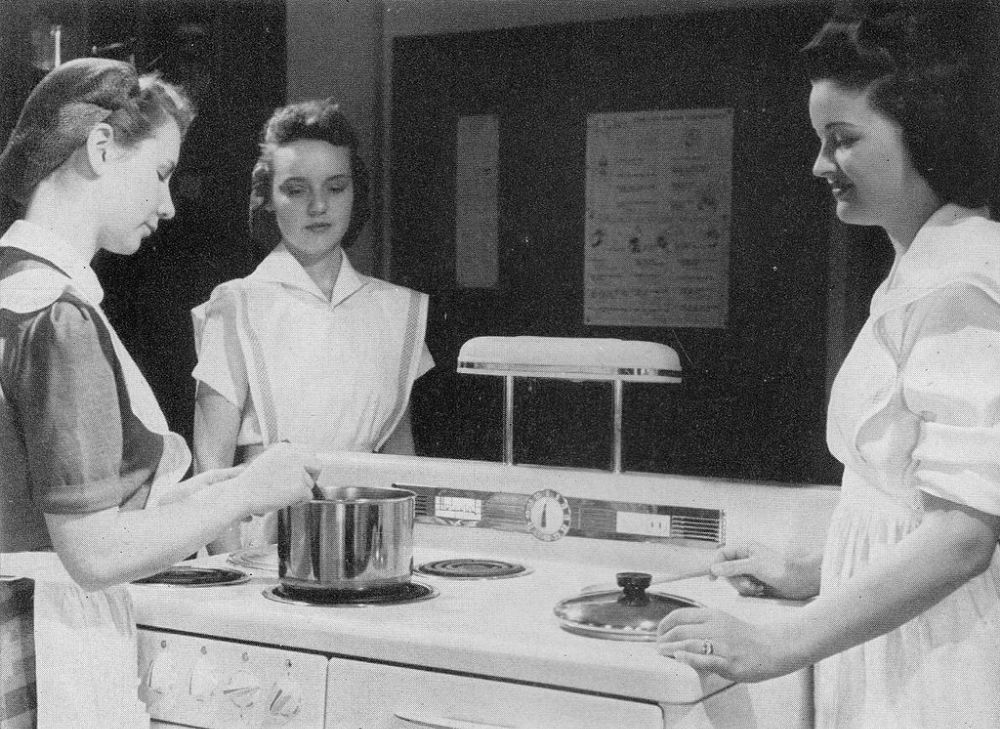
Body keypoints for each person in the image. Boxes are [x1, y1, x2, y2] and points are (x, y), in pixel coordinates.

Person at [656, 8, 1000, 728]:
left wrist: (778, 642)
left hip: (940, 661)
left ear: (925, 135)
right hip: (892, 640)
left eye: (842, 140)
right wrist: (814, 572)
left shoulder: (963, 283)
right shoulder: (921, 266)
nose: (820, 165)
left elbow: (964, 537)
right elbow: (907, 497)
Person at [0, 58, 314, 726]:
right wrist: (245, 492)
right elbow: (93, 552)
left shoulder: (13, 289)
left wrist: (198, 490)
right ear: (102, 148)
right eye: (162, 173)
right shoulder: (57, 317)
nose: (169, 204)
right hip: (50, 641)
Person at [191, 98, 434, 552]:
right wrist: (230, 573)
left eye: (336, 187)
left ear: (355, 192)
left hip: (367, 540)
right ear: (267, 198)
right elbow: (211, 465)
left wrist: (406, 550)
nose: (318, 206)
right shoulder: (237, 304)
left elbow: (402, 462)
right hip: (263, 545)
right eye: (296, 190)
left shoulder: (394, 310)